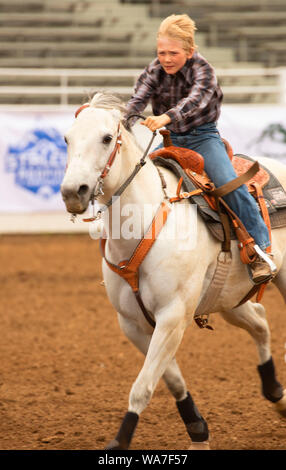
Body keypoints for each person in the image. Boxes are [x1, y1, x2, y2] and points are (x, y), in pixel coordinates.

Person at [125, 13, 276, 284]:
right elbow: (137, 99)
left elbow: (195, 100)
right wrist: (120, 120)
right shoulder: (153, 70)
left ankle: (262, 250)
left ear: (190, 51)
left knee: (229, 183)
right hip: (171, 140)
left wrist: (165, 118)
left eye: (173, 53)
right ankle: (136, 251)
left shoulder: (203, 70)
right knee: (139, 182)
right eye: (161, 52)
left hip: (203, 139)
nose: (166, 59)